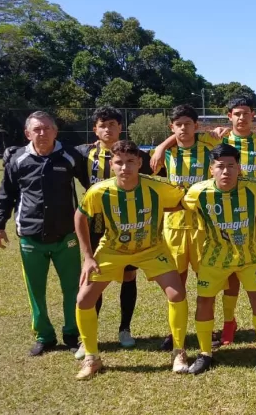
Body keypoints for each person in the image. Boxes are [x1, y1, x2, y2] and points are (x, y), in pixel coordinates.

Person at [150, 97, 256, 347]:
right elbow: (182, 133)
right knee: (185, 279)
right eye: (237, 113)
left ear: (254, 115)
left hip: (247, 218)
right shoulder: (213, 141)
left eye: (246, 113)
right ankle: (186, 330)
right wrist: (161, 147)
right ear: (229, 116)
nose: (242, 118)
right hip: (190, 222)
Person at [73, 140, 190, 380]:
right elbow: (80, 217)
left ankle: (179, 352)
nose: (124, 167)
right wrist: (87, 256)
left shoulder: (157, 186)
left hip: (152, 248)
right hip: (112, 250)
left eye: (130, 162)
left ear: (139, 163)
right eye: (119, 162)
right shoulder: (99, 191)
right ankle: (92, 358)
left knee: (177, 294)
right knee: (84, 299)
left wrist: (160, 209)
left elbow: (182, 201)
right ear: (111, 164)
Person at [0, 111, 89, 357]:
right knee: (36, 291)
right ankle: (44, 336)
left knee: (72, 289)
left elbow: (92, 185)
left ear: (56, 131)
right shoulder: (17, 159)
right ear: (28, 133)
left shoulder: (70, 156)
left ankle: (72, 334)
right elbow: (6, 193)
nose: (42, 133)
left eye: (47, 128)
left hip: (67, 235)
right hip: (30, 236)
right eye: (37, 129)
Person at [182, 143, 256, 374]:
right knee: (204, 301)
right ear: (211, 169)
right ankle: (205, 353)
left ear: (239, 168)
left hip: (249, 257)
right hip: (214, 258)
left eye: (231, 166)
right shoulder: (197, 192)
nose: (226, 171)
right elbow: (177, 205)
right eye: (220, 166)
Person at [74, 106, 153, 357]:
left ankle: (125, 329)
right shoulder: (83, 154)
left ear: (120, 127)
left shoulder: (134, 153)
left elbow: (156, 171)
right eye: (102, 125)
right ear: (95, 129)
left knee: (129, 276)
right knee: (93, 277)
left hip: (127, 225)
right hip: (95, 225)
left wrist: (163, 145)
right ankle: (87, 338)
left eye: (112, 125)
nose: (107, 129)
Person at [157, 104, 215, 351]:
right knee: (176, 281)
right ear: (171, 127)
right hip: (174, 226)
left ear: (196, 126)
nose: (183, 129)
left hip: (203, 226)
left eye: (188, 124)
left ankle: (208, 328)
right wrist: (161, 147)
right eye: (178, 125)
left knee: (206, 280)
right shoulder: (166, 154)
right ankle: (175, 331)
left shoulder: (208, 150)